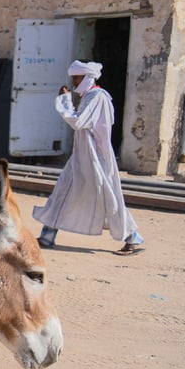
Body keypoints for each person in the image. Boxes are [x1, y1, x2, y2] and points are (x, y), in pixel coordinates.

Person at [34, 60, 144, 255]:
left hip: (96, 158)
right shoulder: (89, 97)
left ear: (87, 77)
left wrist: (65, 101)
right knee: (63, 191)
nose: (74, 82)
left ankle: (132, 239)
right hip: (82, 155)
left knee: (108, 197)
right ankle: (47, 236)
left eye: (76, 78)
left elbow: (78, 122)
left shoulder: (97, 97)